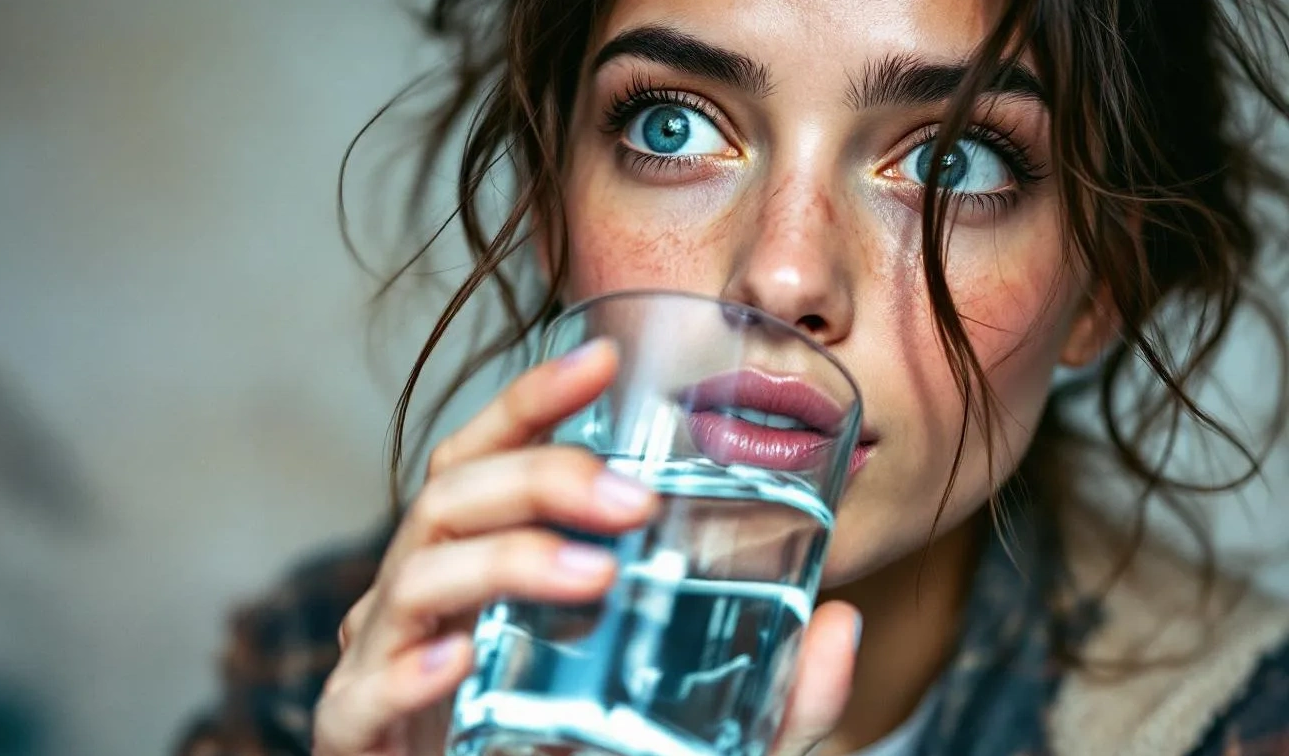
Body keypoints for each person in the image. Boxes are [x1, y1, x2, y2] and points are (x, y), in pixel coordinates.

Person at [175, 0, 1289, 754]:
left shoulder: (1243, 725)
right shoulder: (336, 664)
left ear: (1103, 286)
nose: (784, 273)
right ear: (551, 206)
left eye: (951, 161)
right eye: (672, 127)